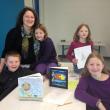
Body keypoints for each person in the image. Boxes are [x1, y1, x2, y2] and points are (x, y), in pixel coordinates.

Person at [0, 7, 40, 72]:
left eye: (32, 17)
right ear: (22, 18)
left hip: (35, 67)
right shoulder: (13, 33)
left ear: (35, 19)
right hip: (16, 68)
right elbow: (5, 52)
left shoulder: (38, 33)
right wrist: (0, 69)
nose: (30, 19)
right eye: (27, 16)